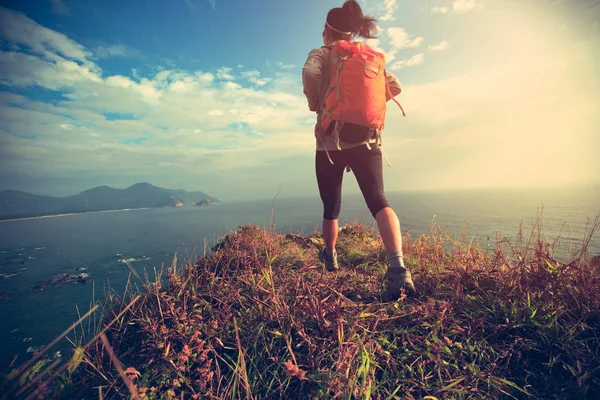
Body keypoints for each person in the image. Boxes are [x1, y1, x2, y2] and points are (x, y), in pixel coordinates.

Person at [301, 0, 417, 300]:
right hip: (367, 140)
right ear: (352, 34)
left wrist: (317, 104)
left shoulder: (322, 53)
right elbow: (396, 87)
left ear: (327, 30)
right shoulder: (368, 57)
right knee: (379, 199)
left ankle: (331, 256)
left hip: (330, 143)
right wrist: (366, 110)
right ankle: (398, 267)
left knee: (331, 206)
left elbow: (310, 73)